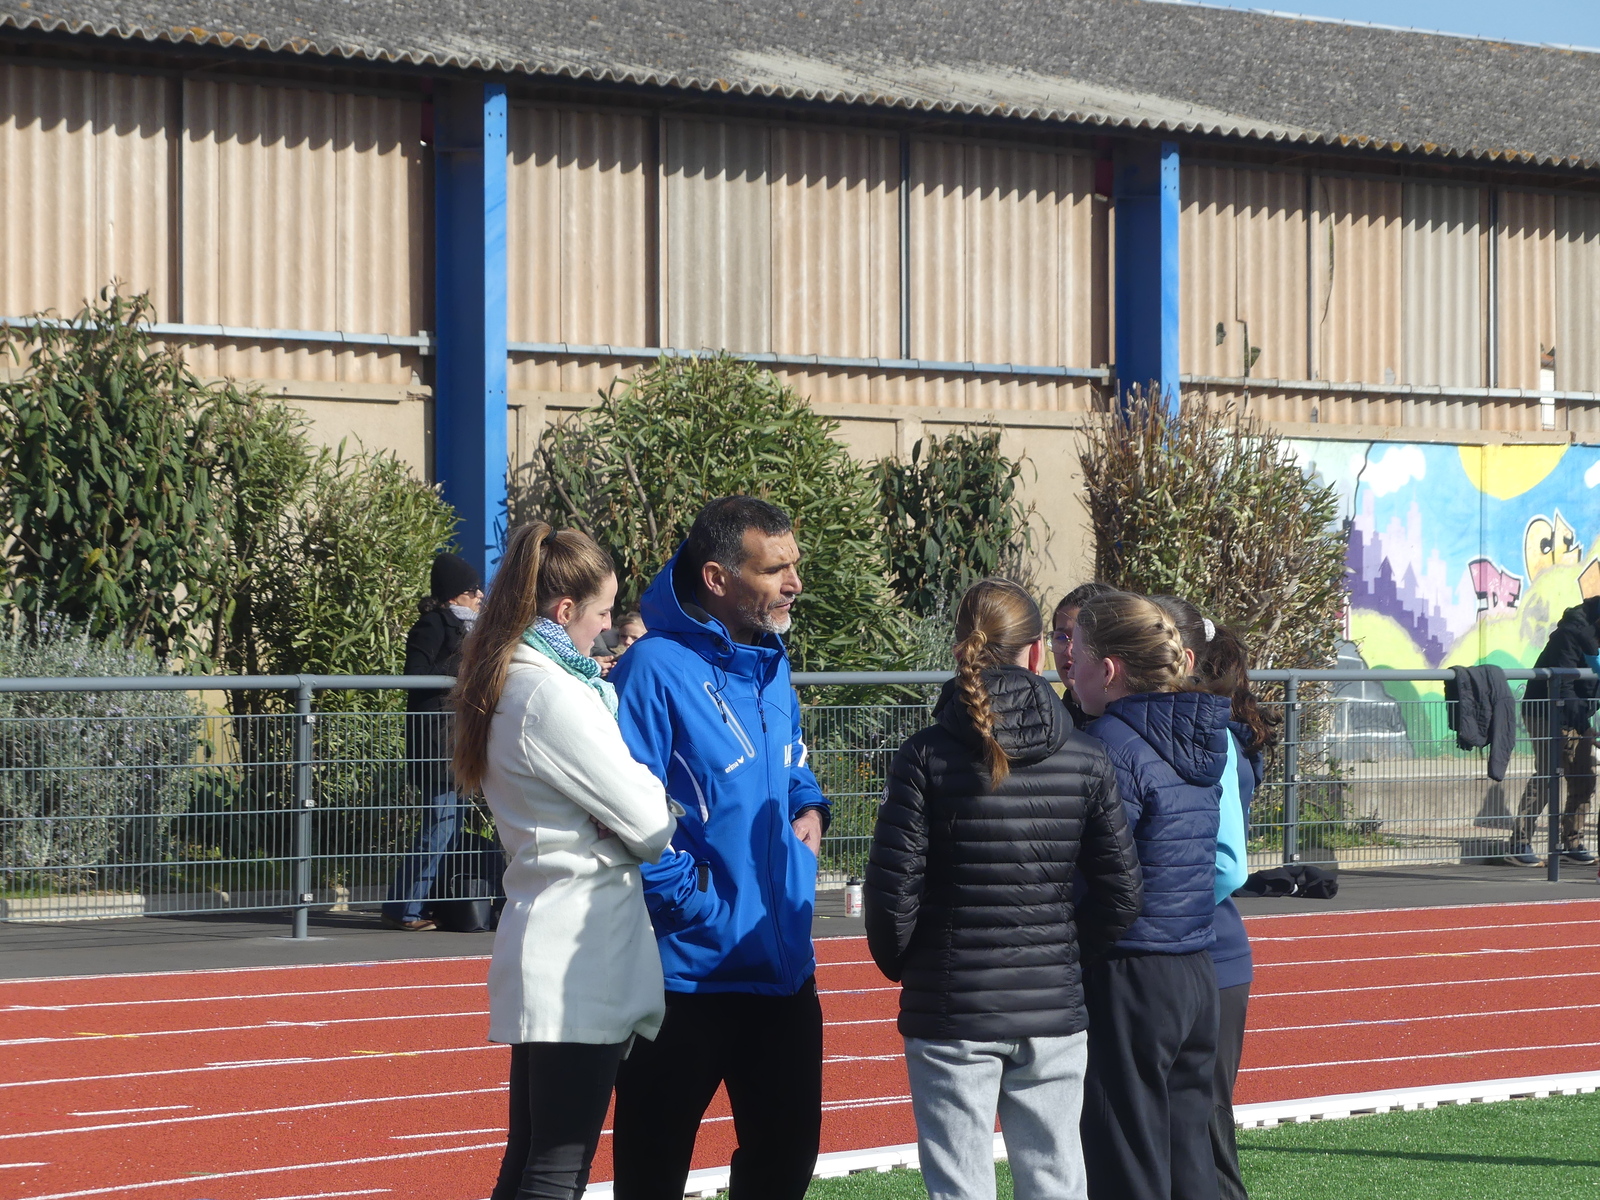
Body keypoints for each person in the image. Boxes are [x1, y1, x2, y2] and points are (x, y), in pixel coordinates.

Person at [865, 578, 1143, 1200]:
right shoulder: (1086, 756)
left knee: (960, 1187)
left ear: (960, 643)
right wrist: (1061, 954)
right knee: (1056, 1181)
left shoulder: (925, 755)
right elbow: (1122, 893)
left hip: (952, 1004)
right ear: (1038, 652)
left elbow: (891, 892)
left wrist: (912, 965)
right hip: (1051, 1007)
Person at [609, 496, 831, 1200]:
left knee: (785, 1167)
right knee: (651, 1176)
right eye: (774, 569)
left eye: (794, 564)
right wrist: (693, 904)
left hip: (783, 970)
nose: (794, 583)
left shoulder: (771, 660)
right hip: (686, 981)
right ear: (717, 578)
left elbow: (791, 762)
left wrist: (809, 808)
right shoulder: (651, 670)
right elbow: (621, 813)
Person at [452, 522, 677, 1200]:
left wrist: (623, 816)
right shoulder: (550, 692)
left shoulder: (518, 676)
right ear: (565, 609)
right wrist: (647, 809)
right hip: (581, 950)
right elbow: (649, 822)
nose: (608, 629)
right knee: (555, 1169)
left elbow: (628, 815)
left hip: (553, 935)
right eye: (603, 613)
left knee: (533, 1160)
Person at [1069, 591, 1231, 1200]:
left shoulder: (1108, 746)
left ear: (1109, 669)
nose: (1069, 669)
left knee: (1125, 1155)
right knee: (1189, 1155)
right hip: (1195, 964)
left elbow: (1101, 874)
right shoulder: (1198, 738)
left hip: (1130, 969)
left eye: (1077, 655)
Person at [1195, 624, 1277, 1200]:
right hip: (1202, 944)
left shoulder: (1219, 740)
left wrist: (1159, 908)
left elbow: (1228, 863)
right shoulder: (1224, 734)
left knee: (1205, 1119)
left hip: (1207, 945)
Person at [382, 553, 483, 932]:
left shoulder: (471, 629)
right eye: (473, 590)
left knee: (450, 828)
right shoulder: (433, 625)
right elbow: (416, 674)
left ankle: (416, 904)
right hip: (436, 742)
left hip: (458, 742)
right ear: (456, 594)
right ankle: (404, 909)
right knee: (439, 827)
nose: (480, 596)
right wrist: (462, 672)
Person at [1509, 596, 1600, 865]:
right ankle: (1519, 842)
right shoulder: (1569, 634)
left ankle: (1571, 842)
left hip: (1579, 712)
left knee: (1584, 777)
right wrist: (1586, 728)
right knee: (1549, 774)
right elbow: (1564, 685)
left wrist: (1584, 725)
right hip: (1546, 710)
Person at [1051, 582, 1120, 728]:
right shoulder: (1047, 724)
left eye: (1084, 639)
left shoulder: (1129, 728)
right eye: (1061, 637)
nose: (1069, 651)